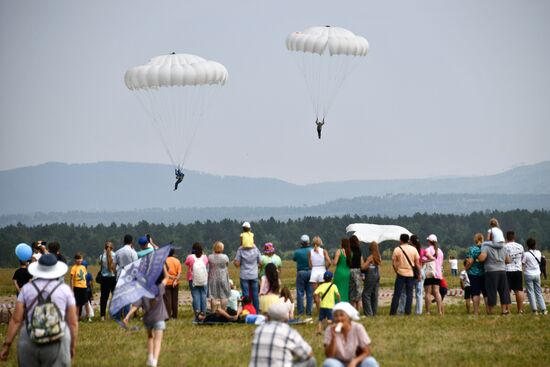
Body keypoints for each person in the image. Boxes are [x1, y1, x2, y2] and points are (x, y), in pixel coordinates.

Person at [0, 253, 78, 365]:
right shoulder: (65, 290)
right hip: (57, 339)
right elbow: (73, 322)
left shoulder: (27, 289)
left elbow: (16, 320)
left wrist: (7, 345)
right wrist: (72, 346)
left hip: (30, 338)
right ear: (56, 270)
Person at [123, 270, 168, 367]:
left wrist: (127, 316)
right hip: (159, 318)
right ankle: (154, 362)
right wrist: (163, 265)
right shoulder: (159, 288)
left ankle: (150, 357)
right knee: (158, 340)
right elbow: (167, 277)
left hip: (148, 319)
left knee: (150, 337)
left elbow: (135, 305)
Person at [249, 302, 316, 367]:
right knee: (311, 361)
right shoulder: (289, 333)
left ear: (268, 317)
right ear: (286, 318)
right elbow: (308, 354)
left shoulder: (259, 330)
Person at [322, 302, 379, 367]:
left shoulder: (358, 328)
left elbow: (367, 352)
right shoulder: (330, 330)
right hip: (338, 363)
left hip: (357, 362)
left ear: (349, 317)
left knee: (370, 362)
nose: (339, 318)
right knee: (329, 363)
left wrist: (354, 361)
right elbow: (329, 355)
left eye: (342, 315)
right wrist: (334, 337)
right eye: (336, 316)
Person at [478, 220, 512, 315]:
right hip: (502, 270)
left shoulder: (486, 246)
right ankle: (504, 310)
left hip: (491, 271)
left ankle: (490, 311)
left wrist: (478, 257)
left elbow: (483, 258)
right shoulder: (503, 247)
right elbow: (508, 260)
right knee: (503, 291)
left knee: (491, 291)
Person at [389, 233, 421, 315]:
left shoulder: (397, 249)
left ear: (400, 240)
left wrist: (397, 270)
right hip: (410, 274)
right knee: (409, 294)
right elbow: (417, 264)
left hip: (400, 273)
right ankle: (408, 312)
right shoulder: (413, 249)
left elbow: (393, 262)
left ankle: (393, 312)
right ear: (408, 240)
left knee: (397, 293)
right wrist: (419, 274)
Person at [234, 240, 262, 313]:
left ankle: (246, 312)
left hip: (244, 275)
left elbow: (236, 264)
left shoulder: (240, 249)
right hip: (254, 275)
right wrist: (255, 266)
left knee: (246, 295)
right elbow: (261, 262)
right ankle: (256, 312)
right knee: (255, 295)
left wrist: (239, 263)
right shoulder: (256, 249)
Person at [522, 238, 548, 315]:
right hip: (537, 274)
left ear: (527, 245)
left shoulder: (526, 254)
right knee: (538, 292)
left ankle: (534, 310)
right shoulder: (539, 252)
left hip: (528, 274)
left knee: (530, 292)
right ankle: (543, 309)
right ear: (535, 245)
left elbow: (523, 263)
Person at [185, 242, 209, 321]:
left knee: (196, 296)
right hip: (203, 279)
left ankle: (197, 314)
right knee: (203, 296)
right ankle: (204, 313)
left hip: (193, 279)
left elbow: (186, 263)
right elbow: (206, 263)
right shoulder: (205, 257)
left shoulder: (190, 257)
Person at [465, 233, 487, 315]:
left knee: (475, 293)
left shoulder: (472, 249)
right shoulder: (485, 249)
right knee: (485, 293)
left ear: (475, 240)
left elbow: (470, 261)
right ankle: (488, 310)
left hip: (473, 273)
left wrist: (466, 268)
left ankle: (476, 312)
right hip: (484, 272)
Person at [207, 241, 231, 313]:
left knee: (213, 296)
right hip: (223, 278)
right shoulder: (225, 257)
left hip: (212, 278)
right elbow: (227, 265)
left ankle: (213, 312)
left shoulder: (210, 257)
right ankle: (223, 312)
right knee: (224, 296)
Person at [504, 231, 525, 314]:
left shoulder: (504, 247)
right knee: (519, 290)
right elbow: (523, 258)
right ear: (514, 237)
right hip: (518, 270)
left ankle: (507, 310)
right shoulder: (520, 246)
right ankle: (520, 310)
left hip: (507, 270)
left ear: (506, 238)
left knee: (507, 291)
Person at [423, 234, 444, 315]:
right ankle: (439, 311)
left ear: (429, 241)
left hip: (429, 273)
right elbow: (440, 263)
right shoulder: (440, 251)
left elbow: (424, 260)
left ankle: (428, 311)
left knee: (428, 292)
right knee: (437, 292)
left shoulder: (427, 250)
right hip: (438, 273)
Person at [314, 271, 340, 335]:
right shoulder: (333, 286)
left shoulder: (321, 286)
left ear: (323, 279)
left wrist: (316, 299)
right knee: (331, 319)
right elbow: (338, 295)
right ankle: (333, 330)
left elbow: (315, 293)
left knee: (320, 319)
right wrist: (339, 301)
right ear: (331, 278)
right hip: (330, 306)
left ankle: (319, 330)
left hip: (322, 305)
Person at [293, 234, 313, 318]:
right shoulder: (312, 250)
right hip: (311, 272)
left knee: (300, 292)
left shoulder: (297, 252)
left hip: (301, 272)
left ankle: (300, 311)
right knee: (309, 293)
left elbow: (294, 259)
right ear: (308, 242)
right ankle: (309, 312)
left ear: (301, 242)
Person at [360, 241, 381, 316]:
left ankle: (368, 313)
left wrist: (361, 261)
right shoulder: (378, 257)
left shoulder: (371, 257)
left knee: (366, 294)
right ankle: (374, 312)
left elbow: (363, 267)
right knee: (374, 295)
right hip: (377, 274)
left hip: (371, 274)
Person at [99, 240, 117, 321]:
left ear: (105, 248)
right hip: (112, 277)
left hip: (104, 278)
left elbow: (100, 264)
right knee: (114, 296)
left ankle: (102, 316)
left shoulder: (101, 256)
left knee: (104, 298)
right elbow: (114, 268)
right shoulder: (115, 255)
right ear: (112, 248)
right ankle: (113, 314)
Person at [164, 247, 182, 319]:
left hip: (167, 282)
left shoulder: (164, 261)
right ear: (173, 253)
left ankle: (167, 315)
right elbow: (179, 273)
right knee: (175, 299)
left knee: (167, 299)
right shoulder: (177, 261)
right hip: (175, 283)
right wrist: (175, 280)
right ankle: (175, 315)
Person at [70, 252, 88, 320]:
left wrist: (86, 285)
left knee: (86, 302)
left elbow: (85, 277)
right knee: (77, 303)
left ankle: (88, 316)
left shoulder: (83, 267)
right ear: (75, 260)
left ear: (82, 259)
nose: (79, 260)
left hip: (84, 286)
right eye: (77, 259)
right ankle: (77, 317)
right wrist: (71, 288)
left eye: (80, 259)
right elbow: (71, 279)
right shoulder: (73, 268)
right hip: (76, 286)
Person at [333, 238, 351, 303]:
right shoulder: (350, 252)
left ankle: (337, 303)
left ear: (342, 244)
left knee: (337, 289)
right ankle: (345, 304)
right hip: (347, 273)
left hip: (339, 272)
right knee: (345, 290)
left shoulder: (339, 251)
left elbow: (334, 263)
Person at [348, 235, 363, 310]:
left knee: (351, 290)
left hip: (350, 270)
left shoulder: (349, 250)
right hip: (357, 270)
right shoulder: (359, 250)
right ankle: (358, 309)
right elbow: (361, 262)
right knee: (358, 289)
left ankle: (351, 308)